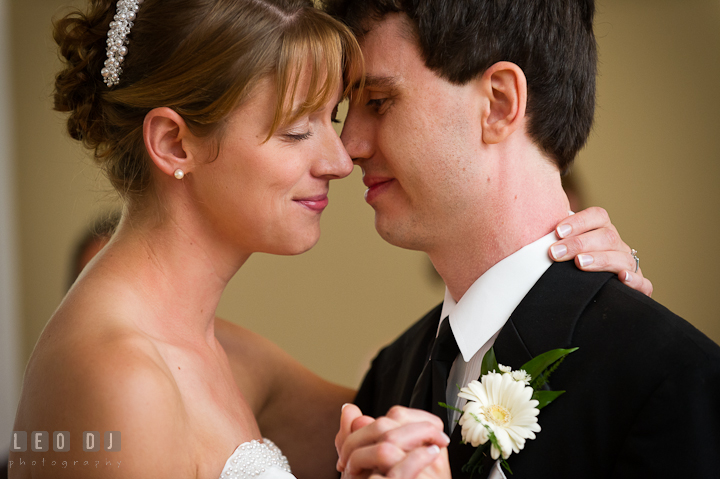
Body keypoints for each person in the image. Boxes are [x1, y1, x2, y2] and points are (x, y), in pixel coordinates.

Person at [9, 1, 654, 479]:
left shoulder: (216, 348)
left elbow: (427, 413)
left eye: (334, 118)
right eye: (296, 130)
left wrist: (564, 286)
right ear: (175, 142)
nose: (339, 159)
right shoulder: (120, 376)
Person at [325, 1, 720, 478]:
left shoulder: (675, 381)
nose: (349, 147)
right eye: (348, 110)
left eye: (379, 102)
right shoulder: (392, 374)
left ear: (499, 102)